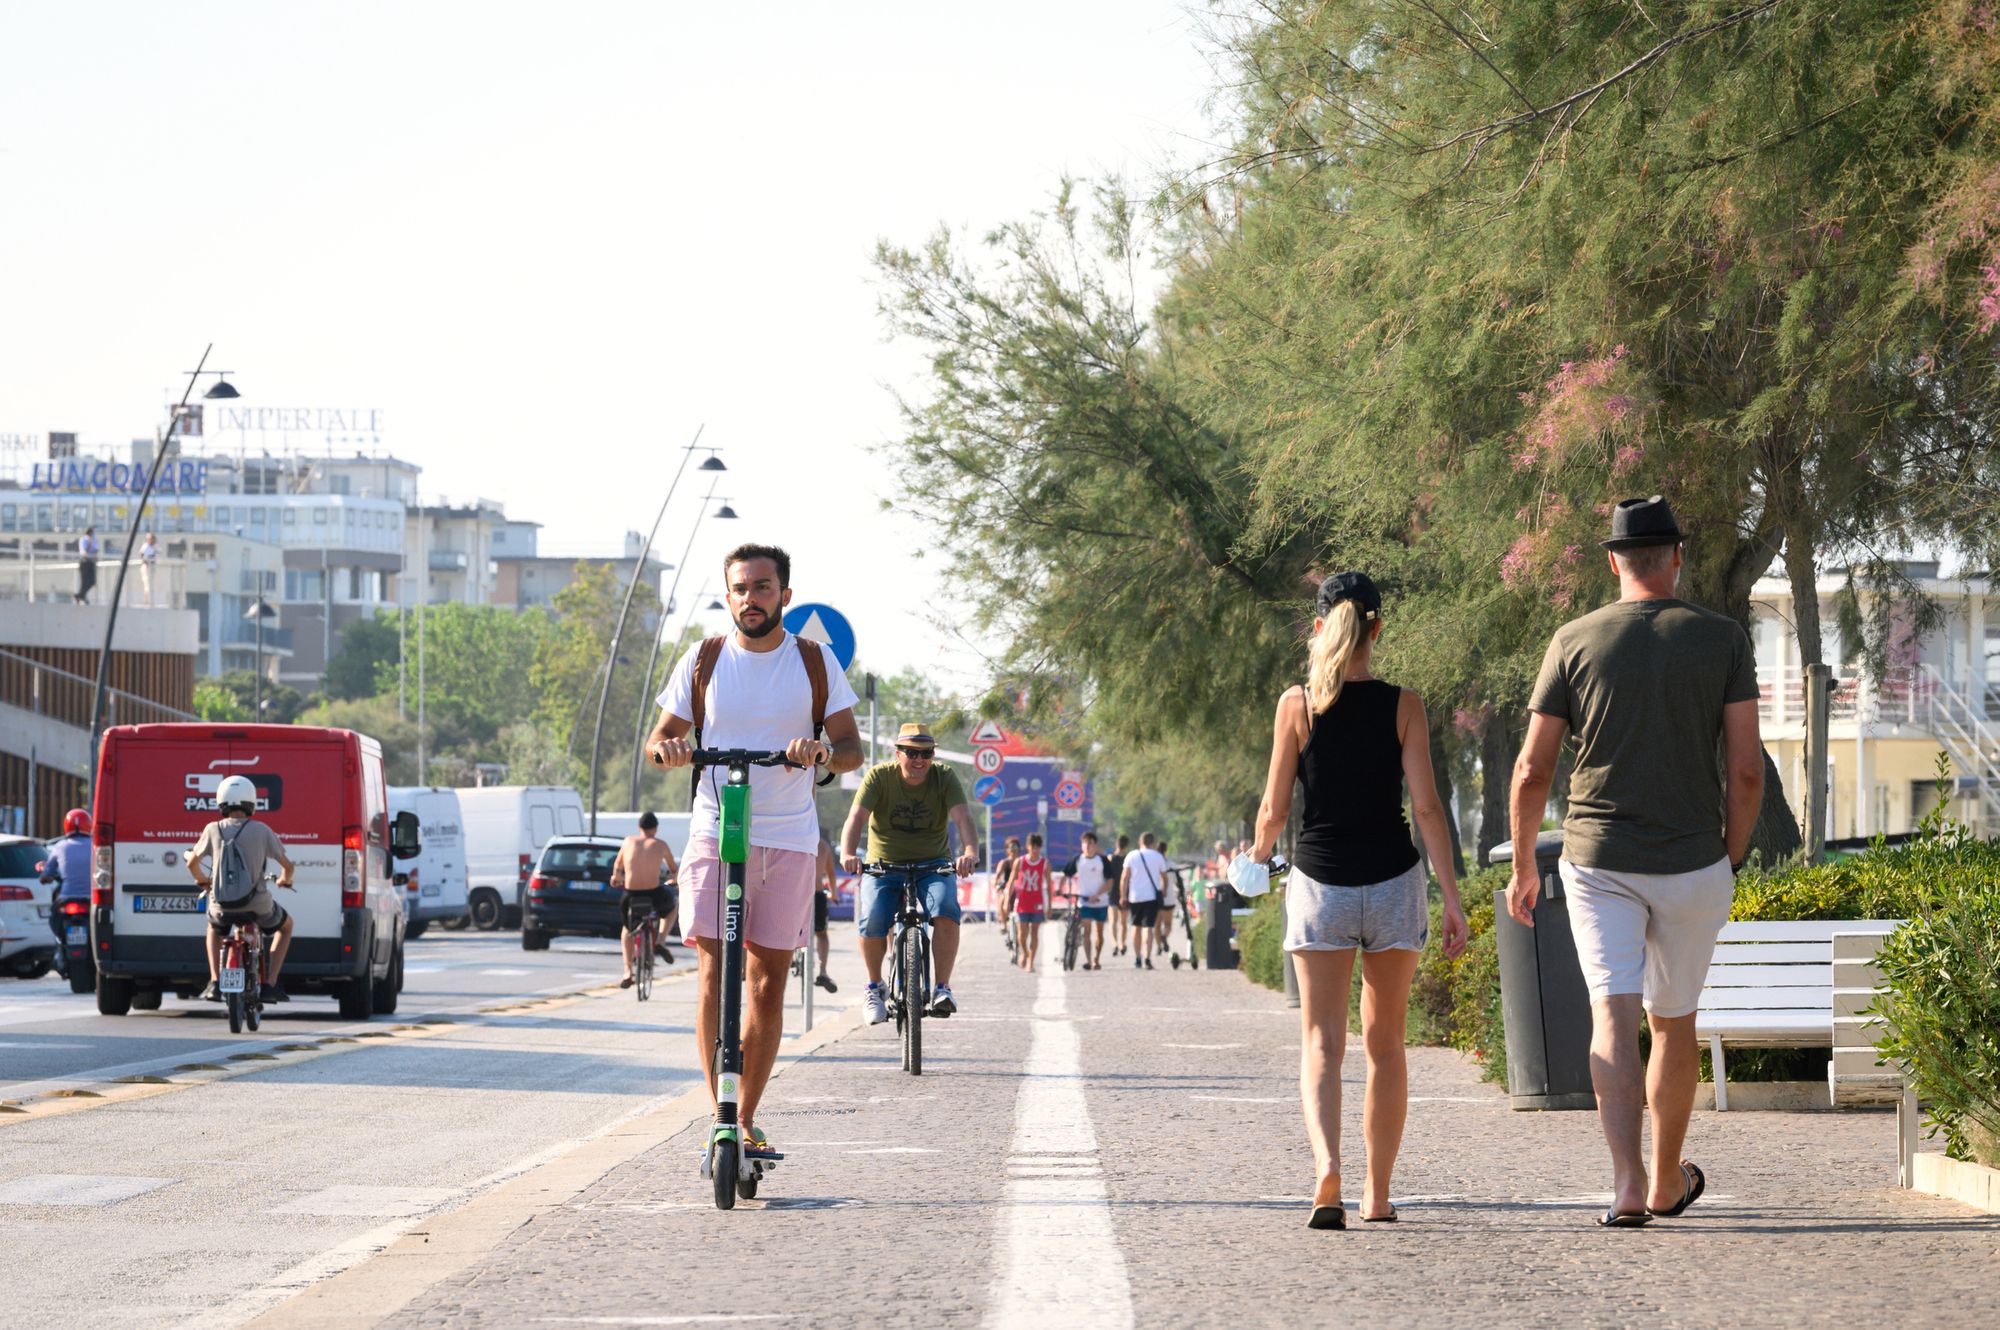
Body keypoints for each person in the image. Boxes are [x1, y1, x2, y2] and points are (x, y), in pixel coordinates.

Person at [1509, 496, 1762, 1227]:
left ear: (1613, 559)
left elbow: (1531, 770)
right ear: (1676, 556)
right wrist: (1730, 852)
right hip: (1693, 863)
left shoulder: (1574, 640)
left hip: (1597, 860)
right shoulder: (1722, 640)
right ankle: (1663, 1182)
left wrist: (1525, 865)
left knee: (1612, 1015)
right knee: (1674, 1020)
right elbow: (1746, 770)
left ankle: (1624, 1188)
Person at [1251, 570, 1468, 1229]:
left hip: (1321, 887)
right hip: (1395, 884)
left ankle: (1328, 1172)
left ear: (1319, 628)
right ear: (1379, 629)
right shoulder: (1405, 705)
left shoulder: (1298, 705)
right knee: (1387, 1045)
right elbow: (1427, 809)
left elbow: (1273, 809)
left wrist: (1256, 861)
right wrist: (1453, 898)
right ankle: (1378, 1193)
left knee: (1321, 1042)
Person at [646, 543, 863, 1161]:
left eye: (762, 588)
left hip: (788, 838)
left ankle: (745, 1117)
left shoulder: (815, 663)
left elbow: (850, 748)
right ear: (728, 596)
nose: (750, 599)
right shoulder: (704, 659)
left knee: (767, 984)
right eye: (739, 589)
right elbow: (658, 739)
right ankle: (721, 1118)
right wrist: (671, 752)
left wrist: (820, 753)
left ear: (784, 596)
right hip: (717, 829)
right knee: (713, 975)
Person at [840, 722, 979, 1022]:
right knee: (874, 916)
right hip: (884, 865)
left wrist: (970, 852)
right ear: (898, 753)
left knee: (945, 909)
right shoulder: (879, 776)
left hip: (933, 864)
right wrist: (848, 853)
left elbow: (963, 817)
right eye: (912, 753)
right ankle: (874, 987)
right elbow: (856, 818)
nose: (919, 760)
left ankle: (942, 988)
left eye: (926, 753)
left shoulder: (944, 777)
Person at [186, 774, 297, 1004]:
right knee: (286, 927)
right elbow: (287, 865)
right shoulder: (262, 830)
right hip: (258, 906)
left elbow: (191, 862)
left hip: (221, 904)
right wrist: (285, 879)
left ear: (221, 802)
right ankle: (270, 984)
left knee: (213, 927)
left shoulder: (212, 829)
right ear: (251, 802)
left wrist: (202, 881)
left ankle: (215, 982)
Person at [611, 811, 679, 986]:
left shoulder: (628, 842)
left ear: (639, 828)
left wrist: (616, 877)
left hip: (631, 893)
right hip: (653, 892)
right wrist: (675, 879)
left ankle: (627, 972)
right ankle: (660, 940)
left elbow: (618, 865)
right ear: (655, 829)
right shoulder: (660, 844)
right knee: (673, 906)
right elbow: (673, 868)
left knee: (627, 930)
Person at [40, 809, 93, 967]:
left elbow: (47, 873)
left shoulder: (59, 846)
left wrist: (44, 877)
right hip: (91, 899)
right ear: (88, 825)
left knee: (53, 919)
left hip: (66, 899)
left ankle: (60, 947)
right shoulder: (95, 845)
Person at [1060, 831, 1114, 969]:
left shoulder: (1102, 860)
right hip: (1084, 902)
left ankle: (1097, 958)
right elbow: (1066, 874)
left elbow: (1110, 882)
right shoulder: (1078, 859)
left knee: (1099, 933)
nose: (1087, 846)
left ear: (1095, 845)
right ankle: (1089, 960)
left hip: (1100, 901)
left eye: (1090, 843)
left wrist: (1097, 895)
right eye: (1085, 843)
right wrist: (1060, 889)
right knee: (1087, 930)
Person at [1119, 833, 1170, 969]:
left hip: (1135, 897)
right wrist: (1164, 890)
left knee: (1136, 926)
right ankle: (1147, 957)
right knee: (1149, 927)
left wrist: (1123, 895)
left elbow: (1124, 877)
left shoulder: (1131, 856)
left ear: (1139, 842)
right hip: (1151, 897)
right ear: (1153, 843)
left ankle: (1137, 958)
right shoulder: (1158, 857)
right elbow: (1165, 877)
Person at [1009, 833, 1050, 971]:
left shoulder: (1045, 864)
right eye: (1033, 846)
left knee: (1034, 932)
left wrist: (1049, 905)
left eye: (1038, 847)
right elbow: (1011, 882)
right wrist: (1005, 901)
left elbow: (1049, 885)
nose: (1035, 850)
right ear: (1027, 846)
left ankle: (1031, 962)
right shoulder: (1019, 862)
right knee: (1022, 933)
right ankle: (1025, 952)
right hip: (1022, 903)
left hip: (1037, 902)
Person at [811, 837, 839, 993]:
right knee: (821, 934)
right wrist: (834, 894)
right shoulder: (823, 845)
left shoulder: (796, 837)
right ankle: (822, 971)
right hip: (817, 894)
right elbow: (831, 874)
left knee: (788, 932)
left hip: (796, 893)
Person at [992, 836, 1022, 959]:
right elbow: (998, 875)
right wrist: (997, 884)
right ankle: (1003, 923)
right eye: (1011, 847)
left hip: (1019, 888)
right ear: (1007, 850)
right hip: (1007, 887)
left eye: (1016, 847)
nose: (1013, 850)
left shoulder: (1021, 861)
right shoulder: (1004, 863)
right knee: (1002, 896)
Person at [1107, 833, 1131, 957]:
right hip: (1125, 892)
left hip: (1112, 892)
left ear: (1117, 844)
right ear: (1127, 845)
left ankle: (1115, 943)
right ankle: (1122, 943)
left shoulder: (1111, 857)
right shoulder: (1128, 858)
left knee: (1113, 921)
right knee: (1123, 922)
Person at [75, 526, 98, 604]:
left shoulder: (90, 540)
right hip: (85, 562)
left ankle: (81, 595)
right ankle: (81, 595)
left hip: (90, 562)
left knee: (90, 581)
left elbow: (95, 550)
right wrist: (90, 544)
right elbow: (84, 551)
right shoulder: (85, 539)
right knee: (85, 581)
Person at [139, 531, 158, 607]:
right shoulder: (146, 547)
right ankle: (147, 601)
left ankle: (148, 601)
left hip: (150, 567)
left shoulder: (152, 547)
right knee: (147, 585)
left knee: (149, 585)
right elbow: (143, 556)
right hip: (146, 567)